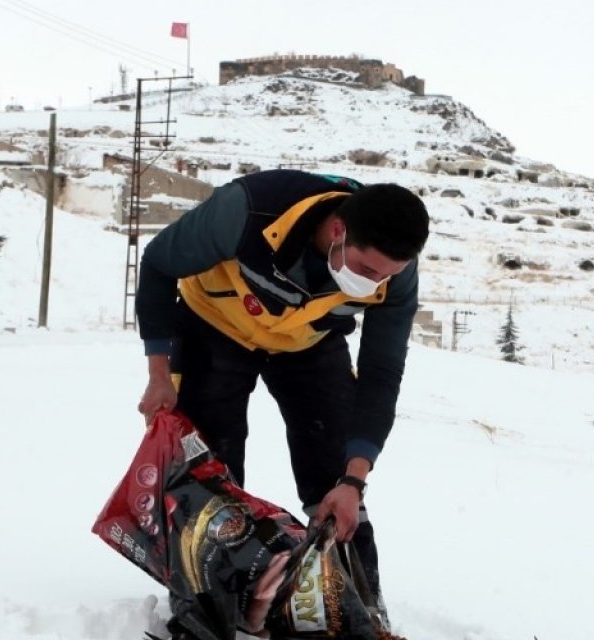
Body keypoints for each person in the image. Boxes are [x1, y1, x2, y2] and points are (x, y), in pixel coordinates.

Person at [135, 169, 429, 634]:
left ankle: (355, 609)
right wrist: (158, 375)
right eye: (368, 271)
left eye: (386, 277)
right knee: (213, 470)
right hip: (216, 325)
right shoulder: (250, 208)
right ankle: (204, 609)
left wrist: (354, 480)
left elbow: (381, 373)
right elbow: (157, 263)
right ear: (338, 230)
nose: (375, 285)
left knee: (334, 469)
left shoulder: (395, 273)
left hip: (306, 342)